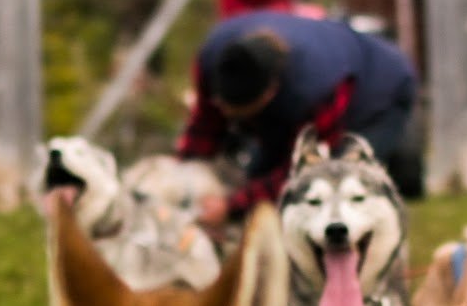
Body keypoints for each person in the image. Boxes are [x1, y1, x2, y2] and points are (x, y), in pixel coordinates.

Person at [176, 11, 421, 221]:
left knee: (337, 189)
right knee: (256, 184)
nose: (228, 115)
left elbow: (308, 169)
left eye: (240, 112)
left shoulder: (321, 87)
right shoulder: (213, 56)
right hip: (302, 94)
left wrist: (231, 205)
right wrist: (181, 178)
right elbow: (204, 125)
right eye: (223, 105)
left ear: (271, 93)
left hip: (379, 95)